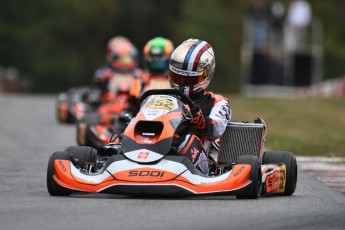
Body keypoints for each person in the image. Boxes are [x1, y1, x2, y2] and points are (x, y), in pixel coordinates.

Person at [168, 38, 231, 174]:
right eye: (178, 78)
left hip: (198, 158)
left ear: (206, 74)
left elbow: (217, 129)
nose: (183, 84)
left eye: (190, 80)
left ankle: (171, 159)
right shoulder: (164, 97)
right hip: (160, 144)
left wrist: (201, 120)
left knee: (186, 139)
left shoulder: (217, 102)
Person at [128, 37, 174, 112]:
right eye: (153, 56)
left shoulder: (176, 80)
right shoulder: (141, 79)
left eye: (158, 56)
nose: (156, 59)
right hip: (144, 119)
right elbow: (132, 104)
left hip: (172, 118)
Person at [94, 36, 144, 102]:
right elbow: (98, 77)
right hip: (110, 102)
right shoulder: (106, 70)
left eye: (127, 58)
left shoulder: (137, 73)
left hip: (134, 101)